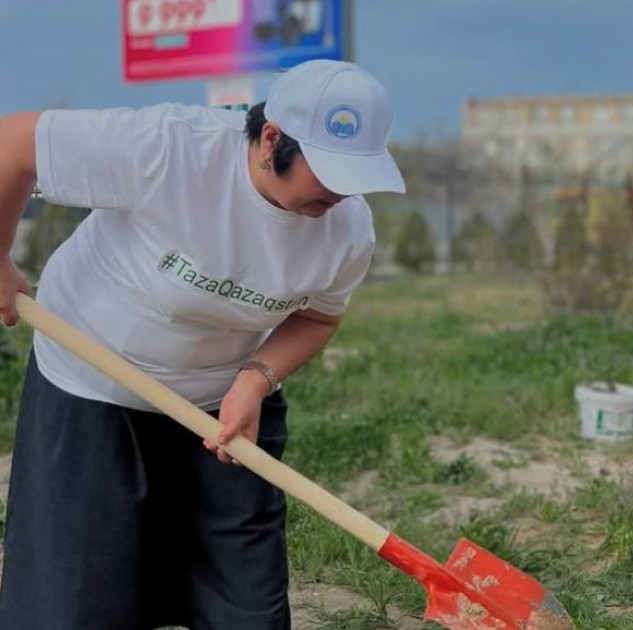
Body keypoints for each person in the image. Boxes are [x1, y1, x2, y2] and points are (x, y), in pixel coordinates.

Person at [0, 59, 406, 629]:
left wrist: (257, 377)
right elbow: (12, 144)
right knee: (75, 601)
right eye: (328, 171)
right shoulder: (168, 150)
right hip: (91, 382)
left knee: (246, 604)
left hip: (221, 407)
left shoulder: (348, 231)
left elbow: (316, 319)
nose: (341, 192)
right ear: (271, 139)